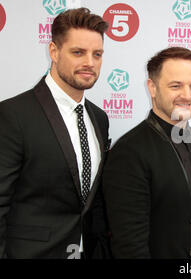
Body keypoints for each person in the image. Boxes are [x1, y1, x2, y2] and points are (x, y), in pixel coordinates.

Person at [0, 8, 111, 259]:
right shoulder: (13, 115)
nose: (90, 63)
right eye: (78, 52)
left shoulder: (99, 119)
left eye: (97, 54)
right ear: (54, 51)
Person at [102, 47, 191, 259]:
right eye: (176, 86)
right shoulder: (129, 151)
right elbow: (129, 246)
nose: (187, 95)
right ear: (152, 88)